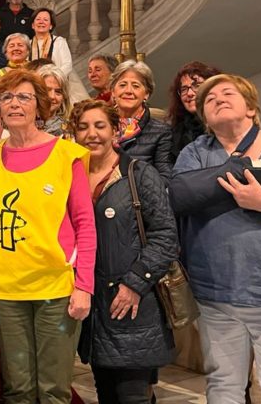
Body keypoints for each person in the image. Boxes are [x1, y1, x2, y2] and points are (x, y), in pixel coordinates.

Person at [0, 69, 96, 403]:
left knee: (54, 389)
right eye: (6, 97)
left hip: (55, 289)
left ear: (40, 106)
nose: (14, 104)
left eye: (24, 97)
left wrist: (84, 286)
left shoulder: (66, 155)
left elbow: (85, 224)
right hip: (6, 288)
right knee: (17, 388)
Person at [170, 74, 261, 404]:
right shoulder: (196, 151)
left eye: (228, 93)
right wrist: (243, 168)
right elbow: (180, 195)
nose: (217, 99)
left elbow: (197, 189)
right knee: (224, 385)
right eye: (209, 99)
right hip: (215, 295)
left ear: (252, 107)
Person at [70, 100, 178, 403]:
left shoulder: (139, 174)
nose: (92, 134)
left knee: (133, 394)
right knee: (106, 392)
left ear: (116, 130)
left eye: (100, 125)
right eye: (83, 127)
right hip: (95, 309)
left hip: (132, 305)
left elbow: (166, 236)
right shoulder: (70, 176)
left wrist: (134, 283)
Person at [110, 60, 173, 181]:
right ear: (113, 91)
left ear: (146, 94)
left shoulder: (162, 132)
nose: (128, 91)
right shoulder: (100, 126)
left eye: (136, 86)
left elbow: (165, 178)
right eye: (122, 85)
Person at [167, 60, 221, 160]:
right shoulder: (174, 133)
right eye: (184, 89)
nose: (190, 93)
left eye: (197, 86)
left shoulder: (226, 122)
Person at [37, 64, 72, 139]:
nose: (52, 96)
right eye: (47, 90)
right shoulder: (21, 122)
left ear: (64, 97)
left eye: (58, 92)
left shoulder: (67, 130)